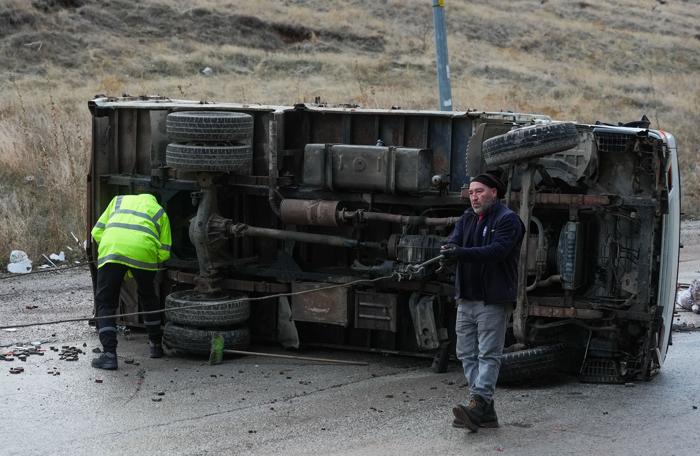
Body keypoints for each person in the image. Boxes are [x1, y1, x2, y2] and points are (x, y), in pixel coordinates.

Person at [440, 173, 524, 432]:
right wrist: (448, 250)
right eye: (471, 193)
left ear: (494, 193)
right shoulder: (467, 218)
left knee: (488, 354)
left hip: (492, 299)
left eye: (479, 191)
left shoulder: (508, 220)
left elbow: (497, 251)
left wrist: (460, 253)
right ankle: (485, 410)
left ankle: (477, 404)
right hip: (466, 297)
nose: (474, 197)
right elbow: (453, 242)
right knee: (466, 353)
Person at [90, 194, 171, 370]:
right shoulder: (159, 211)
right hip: (144, 252)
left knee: (105, 302)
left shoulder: (117, 200)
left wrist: (112, 250)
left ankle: (109, 355)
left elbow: (96, 232)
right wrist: (147, 261)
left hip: (112, 250)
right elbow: (165, 251)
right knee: (148, 297)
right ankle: (155, 346)